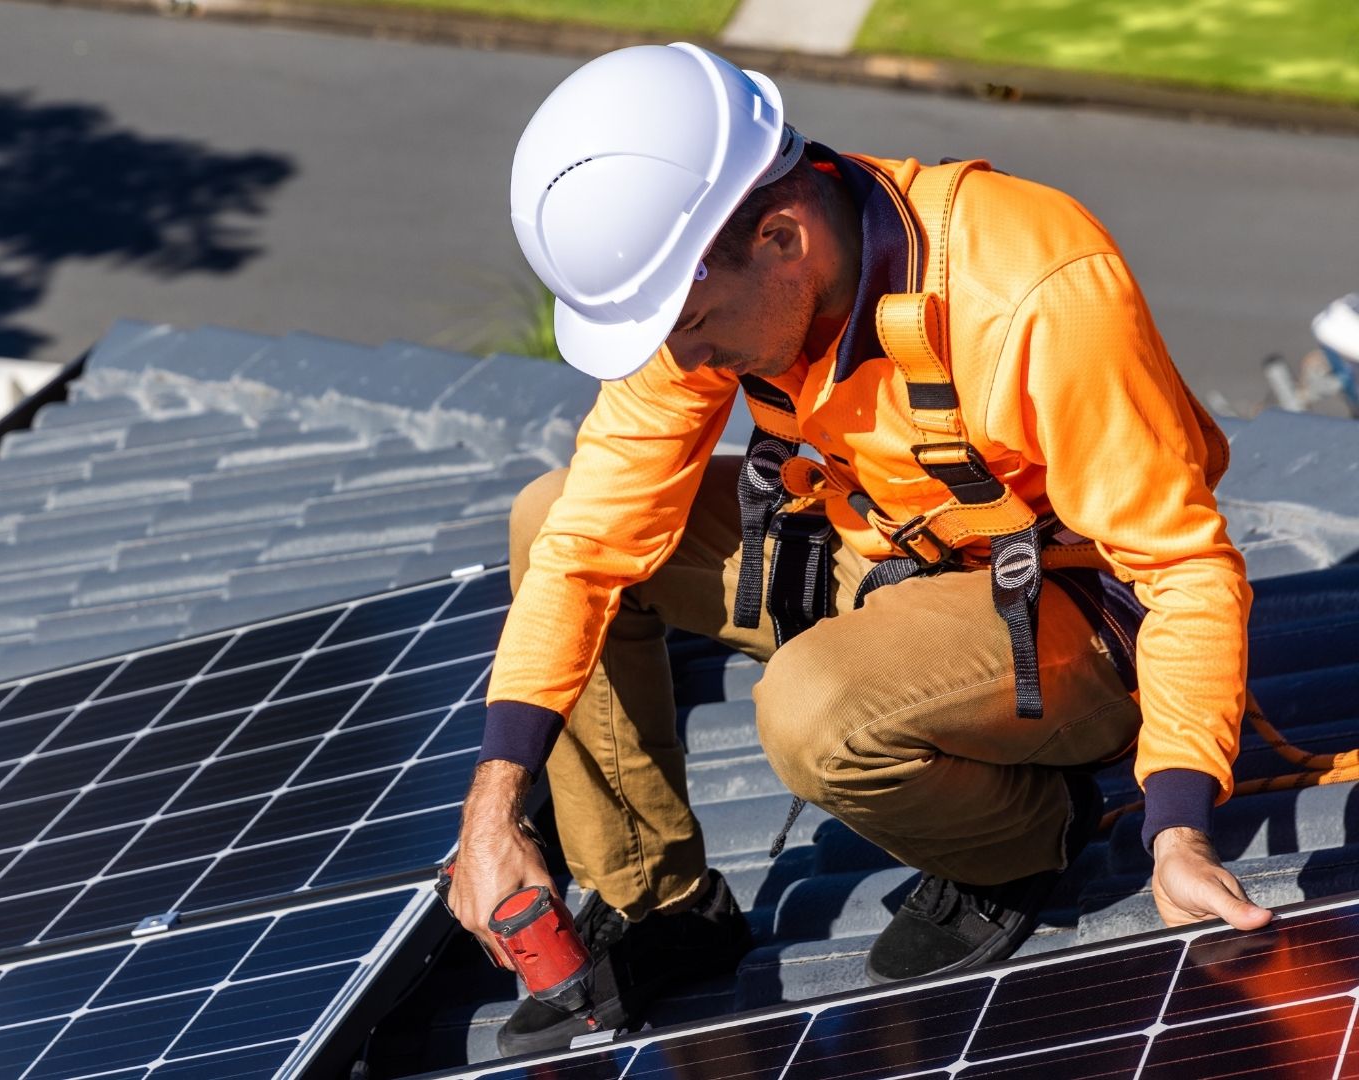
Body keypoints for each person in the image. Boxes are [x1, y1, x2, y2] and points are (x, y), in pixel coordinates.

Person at [446, 43, 1273, 1057]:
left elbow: (1184, 572)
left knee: (812, 710)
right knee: (549, 512)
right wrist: (491, 810)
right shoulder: (721, 287)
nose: (685, 362)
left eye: (693, 325)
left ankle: (1020, 838)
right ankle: (661, 903)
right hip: (889, 554)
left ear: (784, 236)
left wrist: (1178, 824)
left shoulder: (1034, 290)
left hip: (1073, 619)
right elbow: (582, 544)